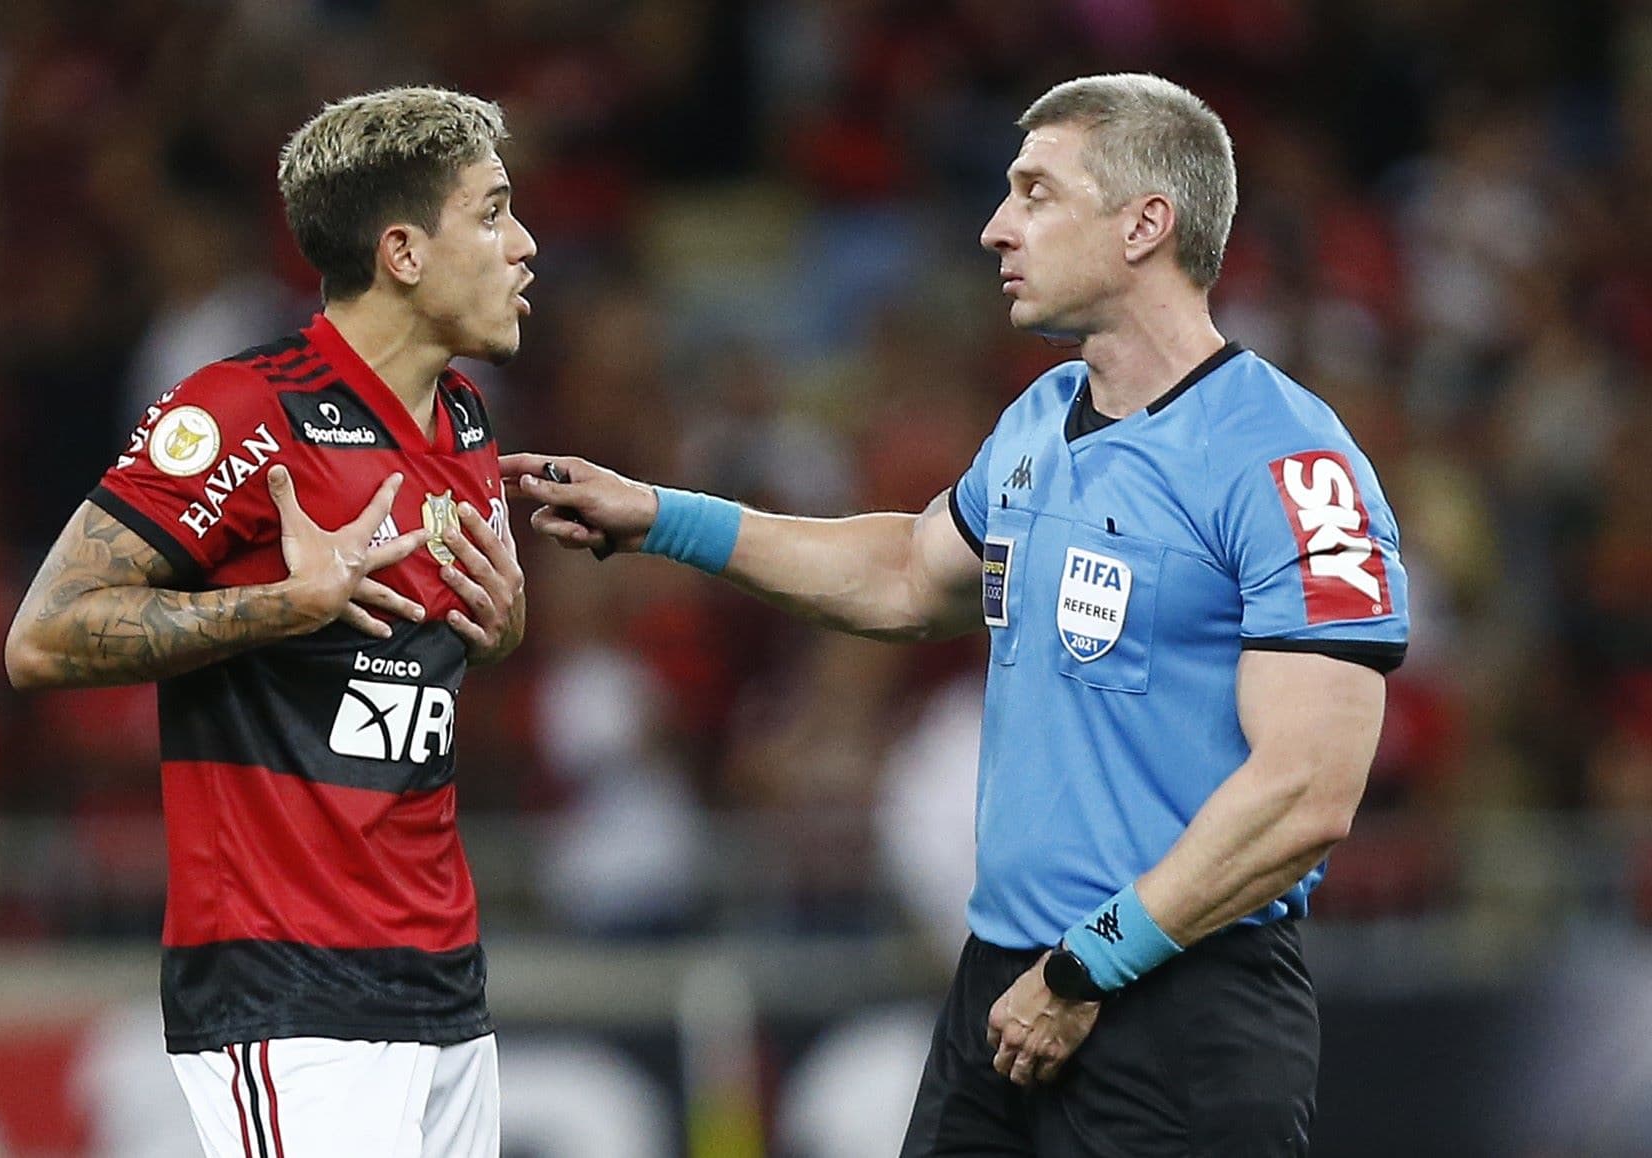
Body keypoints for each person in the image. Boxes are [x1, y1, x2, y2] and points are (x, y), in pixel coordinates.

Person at [504, 73, 1409, 1156]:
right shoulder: (1038, 416)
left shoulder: (1287, 463)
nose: (994, 227)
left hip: (1173, 1004)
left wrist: (1089, 965)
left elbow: (1305, 790)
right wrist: (662, 517)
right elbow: (902, 572)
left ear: (1143, 224)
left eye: (1034, 192)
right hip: (1005, 988)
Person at [5, 86, 535, 1157]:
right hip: (289, 992)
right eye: (490, 213)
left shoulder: (464, 420)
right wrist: (282, 605)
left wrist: (503, 626)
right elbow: (44, 634)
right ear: (402, 251)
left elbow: (404, 669)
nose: (523, 245)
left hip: (441, 986)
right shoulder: (244, 411)